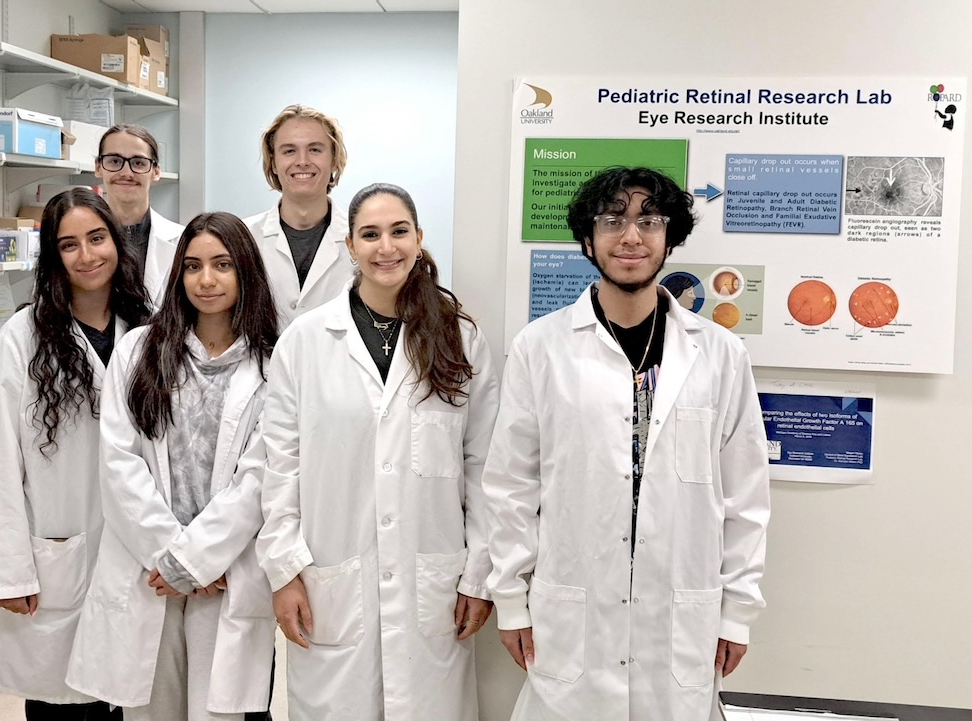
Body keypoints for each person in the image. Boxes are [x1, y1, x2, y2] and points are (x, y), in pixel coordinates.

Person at [484, 167, 771, 721]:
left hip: (680, 611)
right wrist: (512, 602)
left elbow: (745, 496)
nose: (632, 236)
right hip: (573, 607)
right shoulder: (540, 348)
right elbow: (510, 485)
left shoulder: (719, 354)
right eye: (613, 221)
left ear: (671, 238)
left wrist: (737, 612)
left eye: (649, 221)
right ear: (588, 241)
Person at [256, 183, 500, 721]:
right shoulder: (307, 340)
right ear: (349, 245)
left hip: (432, 587)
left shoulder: (459, 338)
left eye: (398, 232)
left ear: (419, 239)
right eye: (370, 234)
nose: (385, 247)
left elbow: (483, 469)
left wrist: (478, 574)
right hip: (333, 582)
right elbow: (280, 467)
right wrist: (284, 570)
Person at [66, 212, 279, 721]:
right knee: (149, 710)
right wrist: (171, 555)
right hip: (152, 568)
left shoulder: (274, 362)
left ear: (245, 271)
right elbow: (119, 462)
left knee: (219, 711)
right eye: (192, 266)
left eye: (222, 265)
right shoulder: (140, 350)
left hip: (226, 572)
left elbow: (261, 475)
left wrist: (200, 558)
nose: (206, 280)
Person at [0, 189, 151, 719]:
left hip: (135, 544)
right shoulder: (21, 338)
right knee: (61, 701)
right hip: (58, 544)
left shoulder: (150, 328)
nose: (87, 255)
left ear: (116, 242)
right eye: (68, 245)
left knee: (127, 694)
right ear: (52, 257)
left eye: (97, 238)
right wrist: (9, 572)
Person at [245, 104, 354, 331]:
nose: (302, 161)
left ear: (334, 160)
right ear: (273, 163)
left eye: (315, 149)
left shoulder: (360, 240)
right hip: (264, 365)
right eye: (289, 151)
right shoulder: (245, 237)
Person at [96, 123, 184, 305]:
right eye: (114, 161)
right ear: (98, 167)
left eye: (138, 163)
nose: (126, 173)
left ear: (156, 171)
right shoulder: (75, 238)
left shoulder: (183, 241)